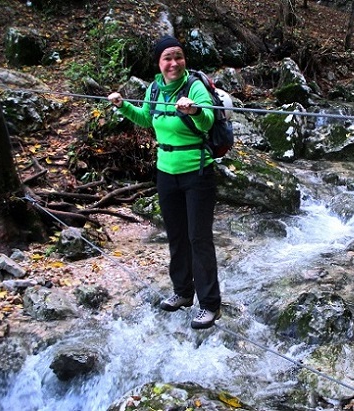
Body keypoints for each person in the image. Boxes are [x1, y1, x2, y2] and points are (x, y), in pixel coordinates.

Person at [108, 35, 221, 329]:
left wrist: (194, 110)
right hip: (166, 173)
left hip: (197, 173)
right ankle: (183, 292)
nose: (174, 63)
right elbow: (147, 119)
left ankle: (210, 304)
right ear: (159, 63)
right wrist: (122, 106)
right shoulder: (155, 88)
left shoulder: (194, 86)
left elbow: (208, 121)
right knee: (176, 235)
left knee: (199, 238)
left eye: (178, 56)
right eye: (167, 58)